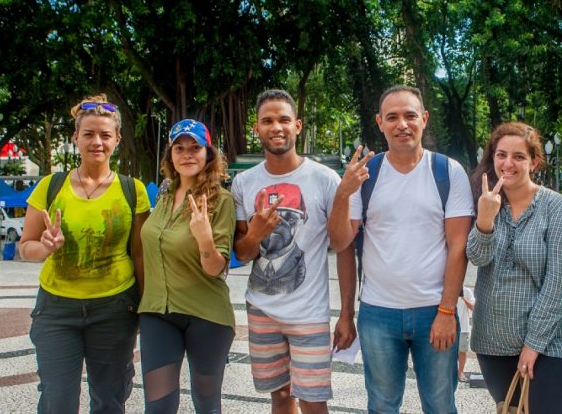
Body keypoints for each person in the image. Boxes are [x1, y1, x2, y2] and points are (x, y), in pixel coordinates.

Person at [328, 85, 474, 413]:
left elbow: (458, 246)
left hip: (434, 309)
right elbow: (341, 244)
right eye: (392, 117)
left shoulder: (448, 172)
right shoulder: (366, 175)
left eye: (410, 115)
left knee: (440, 405)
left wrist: (448, 312)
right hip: (378, 312)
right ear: (380, 122)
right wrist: (342, 193)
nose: (402, 124)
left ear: (424, 119)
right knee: (381, 405)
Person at [18, 94, 151, 414]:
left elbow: (140, 256)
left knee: (109, 399)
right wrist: (46, 247)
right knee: (57, 400)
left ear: (117, 139)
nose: (97, 142)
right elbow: (26, 246)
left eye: (105, 135)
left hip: (115, 307)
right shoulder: (51, 186)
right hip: (56, 309)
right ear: (75, 137)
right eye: (88, 134)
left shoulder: (133, 190)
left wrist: (146, 309)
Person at [232, 89, 357, 414]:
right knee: (281, 397)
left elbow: (343, 248)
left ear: (297, 125)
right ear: (256, 129)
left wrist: (346, 314)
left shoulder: (325, 180)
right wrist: (256, 234)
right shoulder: (244, 183)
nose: (277, 127)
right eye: (268, 120)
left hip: (309, 314)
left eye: (284, 119)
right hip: (262, 311)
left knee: (314, 402)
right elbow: (243, 253)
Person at [466, 122, 562, 414]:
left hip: (550, 342)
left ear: (535, 162)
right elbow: (477, 259)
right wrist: (485, 220)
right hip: (493, 339)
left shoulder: (555, 207)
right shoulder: (487, 203)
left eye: (519, 156)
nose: (508, 163)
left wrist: (533, 345)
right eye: (501, 154)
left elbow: (560, 283)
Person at [137, 119, 236, 413]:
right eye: (179, 148)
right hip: (158, 313)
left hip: (206, 315)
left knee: (206, 404)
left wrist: (205, 239)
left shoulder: (221, 200)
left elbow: (215, 268)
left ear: (209, 154)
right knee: (159, 406)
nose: (187, 154)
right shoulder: (163, 196)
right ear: (170, 156)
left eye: (195, 148)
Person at [456, 286, 475, 383]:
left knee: (463, 351)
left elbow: (473, 308)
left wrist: (463, 297)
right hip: (449, 327)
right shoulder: (446, 288)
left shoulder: (467, 291)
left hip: (463, 327)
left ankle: (460, 372)